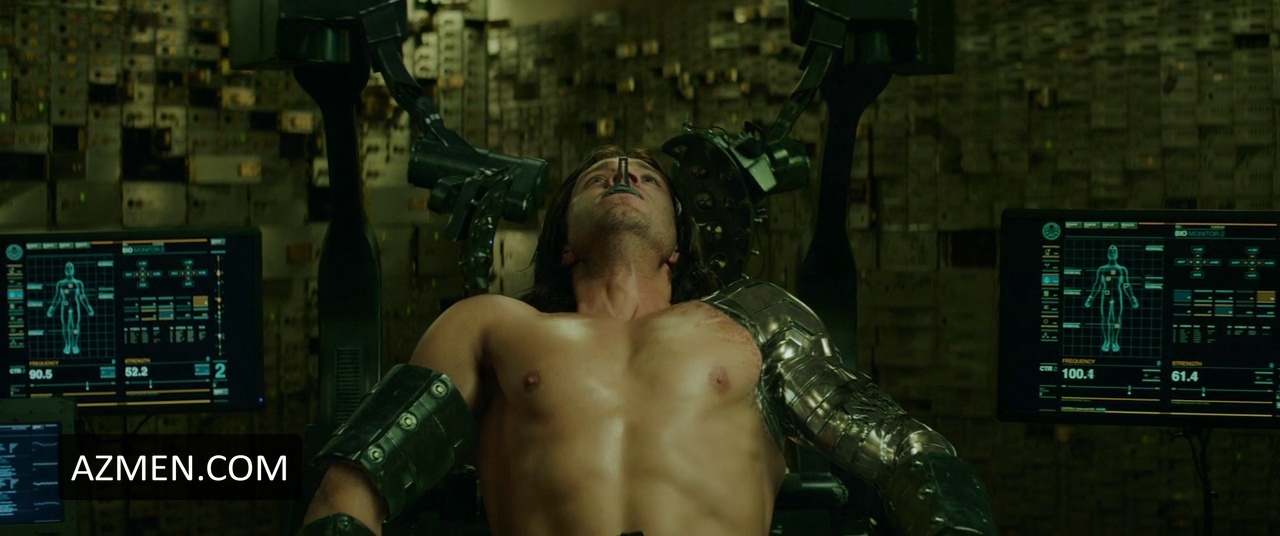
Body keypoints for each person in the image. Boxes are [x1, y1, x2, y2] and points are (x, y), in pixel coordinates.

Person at [300, 146, 994, 536]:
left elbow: (908, 454)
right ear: (565, 244)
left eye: (647, 178)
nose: (624, 175)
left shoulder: (757, 321)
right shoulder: (489, 325)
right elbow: (352, 490)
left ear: (676, 247)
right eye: (598, 176)